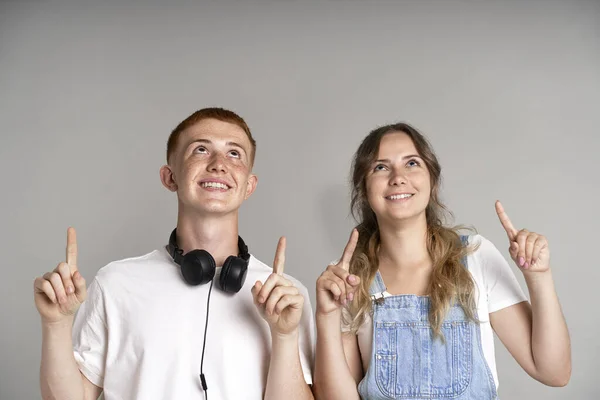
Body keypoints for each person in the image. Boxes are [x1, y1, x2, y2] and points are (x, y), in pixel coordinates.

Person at [34, 107, 315, 400]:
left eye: (234, 154)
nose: (219, 164)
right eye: (201, 149)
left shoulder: (286, 297)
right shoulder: (115, 283)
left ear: (249, 186)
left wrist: (283, 336)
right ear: (170, 177)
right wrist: (55, 325)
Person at [313, 122, 571, 399]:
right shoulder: (348, 278)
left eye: (411, 163)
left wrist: (539, 275)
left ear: (432, 180)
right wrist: (326, 317)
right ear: (364, 189)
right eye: (380, 167)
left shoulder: (474, 256)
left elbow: (553, 372)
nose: (398, 177)